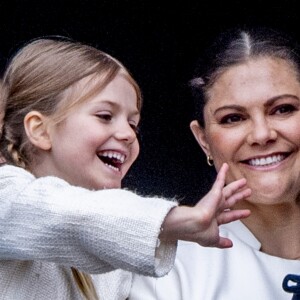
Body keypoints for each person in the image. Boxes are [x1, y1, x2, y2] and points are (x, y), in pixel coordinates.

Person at [0, 37, 251, 300]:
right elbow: (60, 212)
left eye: (133, 124)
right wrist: (179, 220)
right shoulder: (6, 193)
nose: (128, 134)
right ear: (40, 130)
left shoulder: (115, 256)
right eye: (105, 116)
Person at [129, 26, 300, 300]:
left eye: (283, 109)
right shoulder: (170, 271)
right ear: (204, 140)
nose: (262, 134)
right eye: (233, 118)